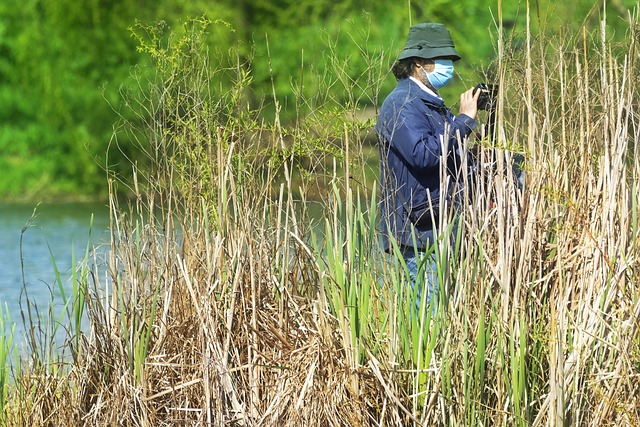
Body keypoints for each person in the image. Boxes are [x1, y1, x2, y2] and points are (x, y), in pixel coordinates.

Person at [375, 22, 481, 312]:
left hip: (438, 224)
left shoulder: (430, 103)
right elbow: (423, 155)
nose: (448, 66)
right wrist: (463, 121)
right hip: (418, 229)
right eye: (441, 60)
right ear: (419, 63)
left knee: (439, 311)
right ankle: (420, 359)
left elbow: (449, 157)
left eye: (449, 60)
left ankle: (431, 357)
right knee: (428, 314)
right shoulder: (402, 103)